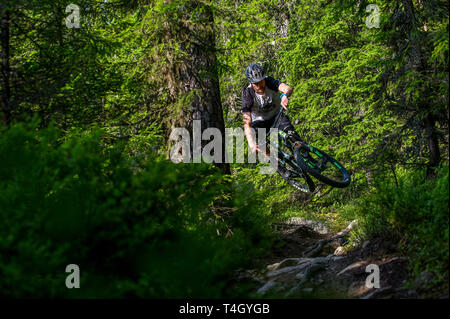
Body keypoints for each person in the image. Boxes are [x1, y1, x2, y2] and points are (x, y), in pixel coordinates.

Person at [241, 63, 300, 179]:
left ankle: (304, 153)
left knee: (291, 133)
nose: (260, 85)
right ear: (251, 83)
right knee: (259, 140)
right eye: (256, 83)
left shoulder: (269, 81)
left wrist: (284, 95)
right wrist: (251, 143)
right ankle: (278, 166)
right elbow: (246, 122)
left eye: (261, 81)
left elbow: (287, 88)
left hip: (276, 116)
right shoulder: (247, 94)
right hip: (260, 122)